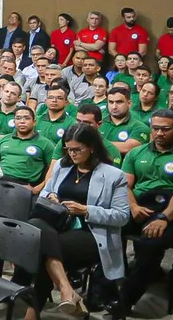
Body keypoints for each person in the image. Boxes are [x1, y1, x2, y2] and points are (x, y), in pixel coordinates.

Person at [12, 125, 130, 320]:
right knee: (38, 228)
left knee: (40, 247)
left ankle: (34, 313)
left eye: (77, 149)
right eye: (68, 149)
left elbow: (122, 216)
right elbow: (44, 193)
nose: (72, 154)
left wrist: (86, 210)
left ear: (92, 147)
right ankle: (67, 290)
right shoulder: (61, 166)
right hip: (59, 227)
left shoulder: (112, 175)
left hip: (91, 233)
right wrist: (51, 196)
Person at [120, 110, 173, 312]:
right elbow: (123, 185)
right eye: (156, 128)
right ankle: (107, 285)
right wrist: (132, 206)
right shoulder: (135, 153)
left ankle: (124, 300)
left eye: (165, 129)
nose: (159, 133)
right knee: (107, 228)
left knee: (152, 242)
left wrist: (164, 218)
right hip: (140, 206)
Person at [0, 107, 55, 194]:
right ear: (14, 121)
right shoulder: (3, 140)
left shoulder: (46, 144)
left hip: (24, 185)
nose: (22, 121)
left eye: (26, 118)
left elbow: (53, 170)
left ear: (34, 122)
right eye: (18, 118)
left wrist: (39, 187)